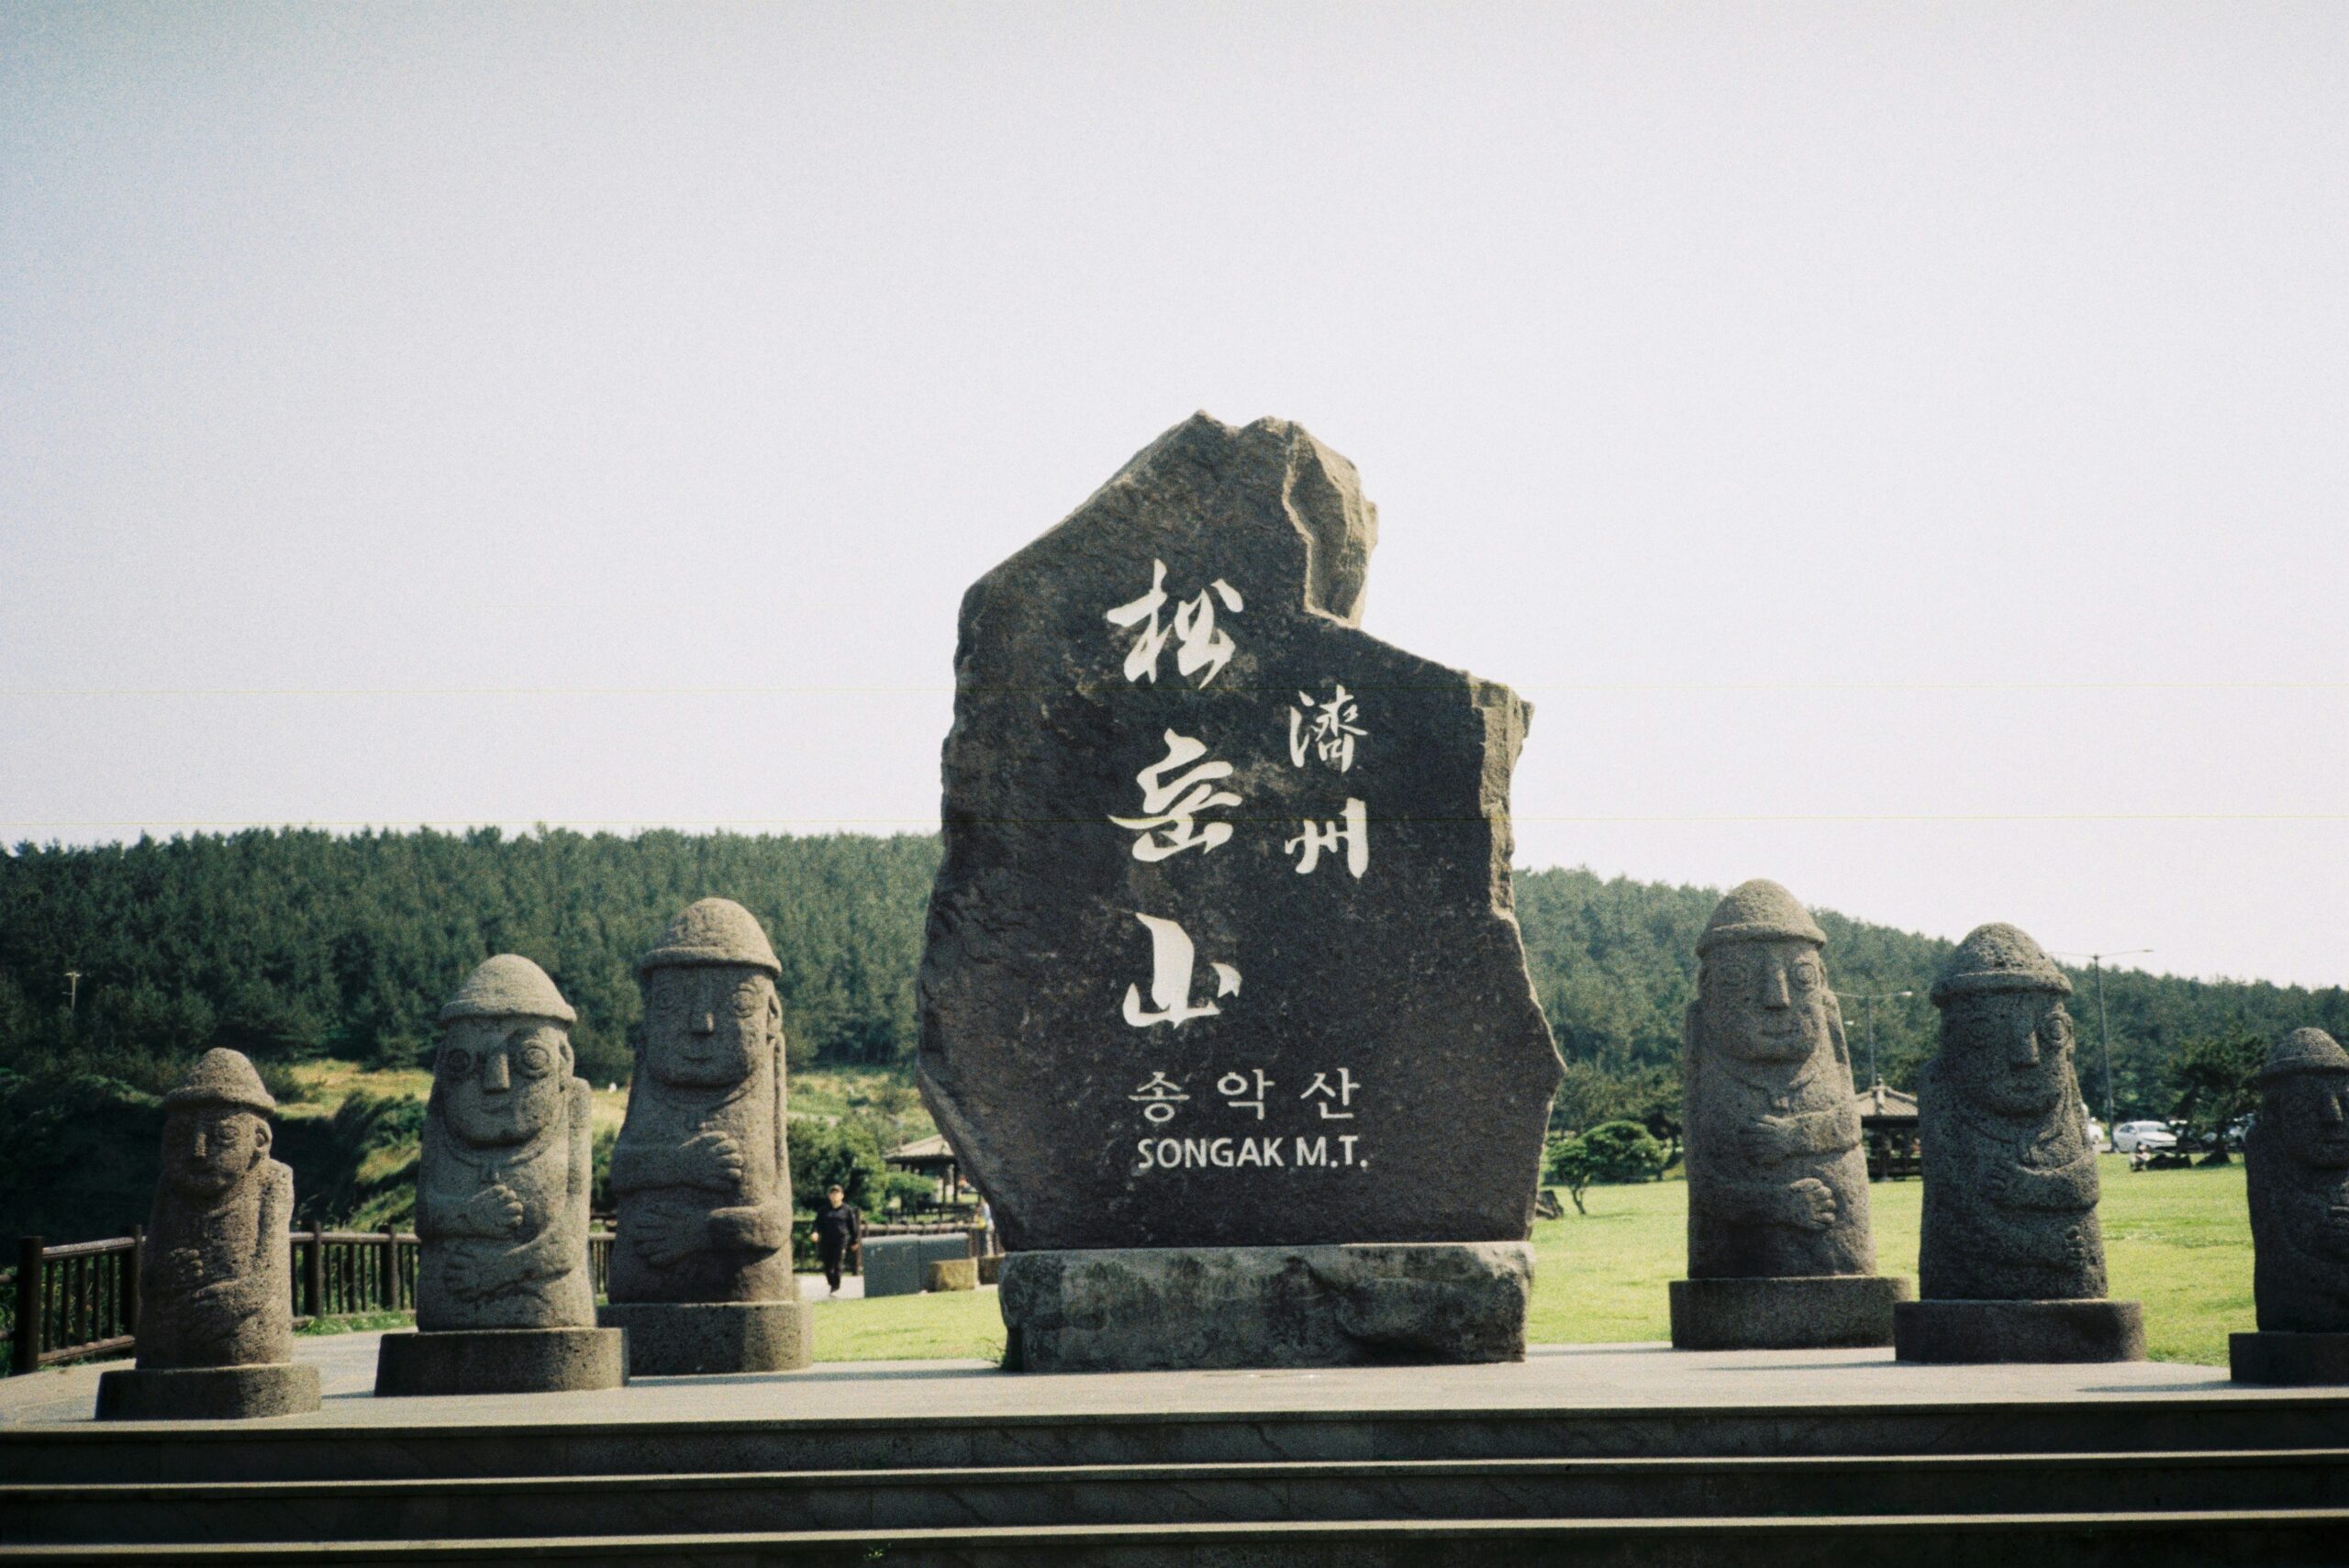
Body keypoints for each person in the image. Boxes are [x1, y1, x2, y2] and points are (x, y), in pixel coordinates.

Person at [812, 1184, 863, 1296]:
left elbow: (853, 1227)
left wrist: (855, 1241)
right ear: (829, 1196)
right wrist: (815, 1232)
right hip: (826, 1240)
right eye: (832, 1193)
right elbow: (817, 1223)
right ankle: (831, 1282)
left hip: (841, 1240)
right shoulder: (823, 1210)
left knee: (838, 1263)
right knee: (828, 1266)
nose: (834, 1196)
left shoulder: (847, 1210)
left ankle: (836, 1286)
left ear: (842, 1195)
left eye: (837, 1193)